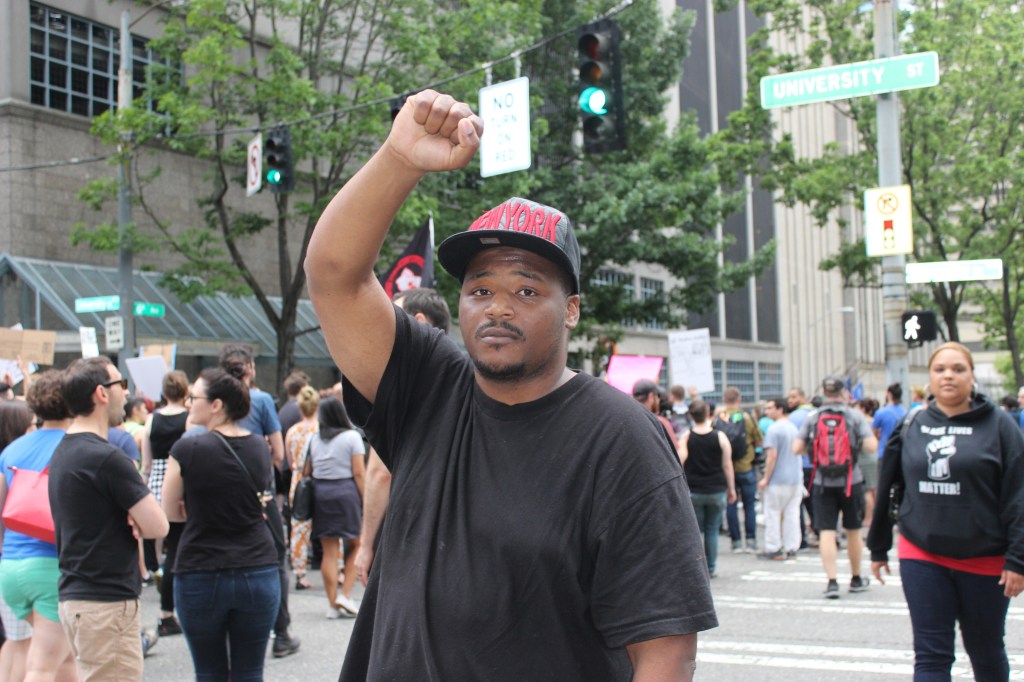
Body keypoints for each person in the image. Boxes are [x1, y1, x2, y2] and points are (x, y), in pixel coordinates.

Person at [306, 89, 716, 680]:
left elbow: (666, 652)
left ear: (570, 309)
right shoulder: (426, 386)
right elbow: (334, 275)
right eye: (479, 290)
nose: (497, 307)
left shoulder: (622, 439)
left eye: (526, 291)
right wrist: (400, 157)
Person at [869, 342, 1024, 680]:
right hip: (922, 552)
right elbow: (889, 485)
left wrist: (1018, 558)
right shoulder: (913, 424)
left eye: (958, 369)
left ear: (972, 376)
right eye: (940, 370)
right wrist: (878, 546)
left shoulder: (1000, 426)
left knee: (985, 650)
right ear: (930, 378)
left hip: (986, 557)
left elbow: (1018, 495)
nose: (949, 376)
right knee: (931, 654)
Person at [48, 357, 168, 681]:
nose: (127, 394)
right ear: (101, 393)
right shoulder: (107, 457)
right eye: (122, 385)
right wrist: (133, 509)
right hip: (107, 603)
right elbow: (158, 524)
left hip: (77, 597)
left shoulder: (64, 451)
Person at [162, 367, 281, 681]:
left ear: (216, 405)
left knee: (209, 672)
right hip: (257, 568)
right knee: (250, 672)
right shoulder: (259, 447)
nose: (189, 403)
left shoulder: (186, 449)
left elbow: (169, 512)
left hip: (200, 569)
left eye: (194, 398)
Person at [354, 286, 451, 587]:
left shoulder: (406, 386)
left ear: (418, 321)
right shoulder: (469, 380)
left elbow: (381, 471)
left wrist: (366, 544)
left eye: (392, 316)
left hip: (407, 531)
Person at [217, 344, 299, 658]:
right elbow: (279, 455)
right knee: (275, 557)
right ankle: (281, 632)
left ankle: (226, 630)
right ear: (250, 369)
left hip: (218, 497)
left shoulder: (212, 401)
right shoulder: (262, 400)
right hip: (257, 496)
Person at [793, 375, 877, 599]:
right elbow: (871, 446)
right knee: (853, 530)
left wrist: (816, 450)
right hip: (851, 480)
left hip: (821, 482)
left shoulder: (814, 417)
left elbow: (796, 448)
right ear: (843, 393)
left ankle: (832, 581)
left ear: (823, 392)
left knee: (827, 532)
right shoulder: (854, 416)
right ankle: (856, 577)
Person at [304, 397, 365, 619]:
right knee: (356, 543)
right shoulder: (352, 437)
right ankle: (346, 594)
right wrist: (366, 499)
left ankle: (332, 604)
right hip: (345, 492)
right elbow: (359, 472)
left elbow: (306, 471)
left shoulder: (314, 438)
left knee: (328, 550)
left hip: (321, 494)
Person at [141, 370, 190, 637]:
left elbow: (146, 462)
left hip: (157, 481)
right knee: (181, 547)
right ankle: (173, 608)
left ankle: (165, 609)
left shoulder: (151, 420)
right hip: (180, 480)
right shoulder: (189, 421)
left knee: (168, 548)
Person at [0, 398, 40, 682]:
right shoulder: (14, 467)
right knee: (24, 643)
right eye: (32, 426)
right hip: (17, 559)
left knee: (14, 640)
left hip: (9, 563)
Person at [678, 400, 735, 578]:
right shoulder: (720, 437)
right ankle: (710, 567)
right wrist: (731, 488)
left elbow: (680, 461)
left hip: (694, 490)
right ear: (709, 413)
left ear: (691, 416)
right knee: (712, 530)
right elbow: (727, 465)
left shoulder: (687, 436)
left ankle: (696, 567)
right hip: (716, 489)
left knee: (695, 531)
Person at [717, 386, 762, 553]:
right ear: (739, 400)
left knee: (731, 503)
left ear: (723, 400)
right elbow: (759, 439)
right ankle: (751, 540)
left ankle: (735, 541)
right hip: (746, 467)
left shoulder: (719, 418)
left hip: (726, 468)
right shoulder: (747, 418)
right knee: (749, 505)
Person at [756, 397, 802, 561]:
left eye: (770, 408)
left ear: (780, 409)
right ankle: (791, 547)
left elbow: (772, 456)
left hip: (777, 479)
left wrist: (765, 478)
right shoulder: (793, 428)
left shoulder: (774, 429)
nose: (767, 411)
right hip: (794, 478)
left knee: (773, 514)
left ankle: (774, 547)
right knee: (792, 514)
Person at [286, 385, 320, 591]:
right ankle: (338, 568)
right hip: (320, 480)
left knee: (299, 529)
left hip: (298, 481)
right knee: (328, 526)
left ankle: (299, 573)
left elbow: (290, 462)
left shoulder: (293, 431)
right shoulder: (321, 429)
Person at [787, 387, 817, 548]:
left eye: (794, 396)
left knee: (798, 502)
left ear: (803, 397)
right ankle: (820, 532)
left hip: (802, 464)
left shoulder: (794, 417)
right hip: (817, 464)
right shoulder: (817, 413)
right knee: (814, 501)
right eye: (789, 397)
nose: (790, 400)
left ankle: (803, 539)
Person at [633, 379, 681, 453]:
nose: (658, 400)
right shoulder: (660, 422)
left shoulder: (629, 420)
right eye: (657, 397)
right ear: (651, 396)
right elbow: (676, 452)